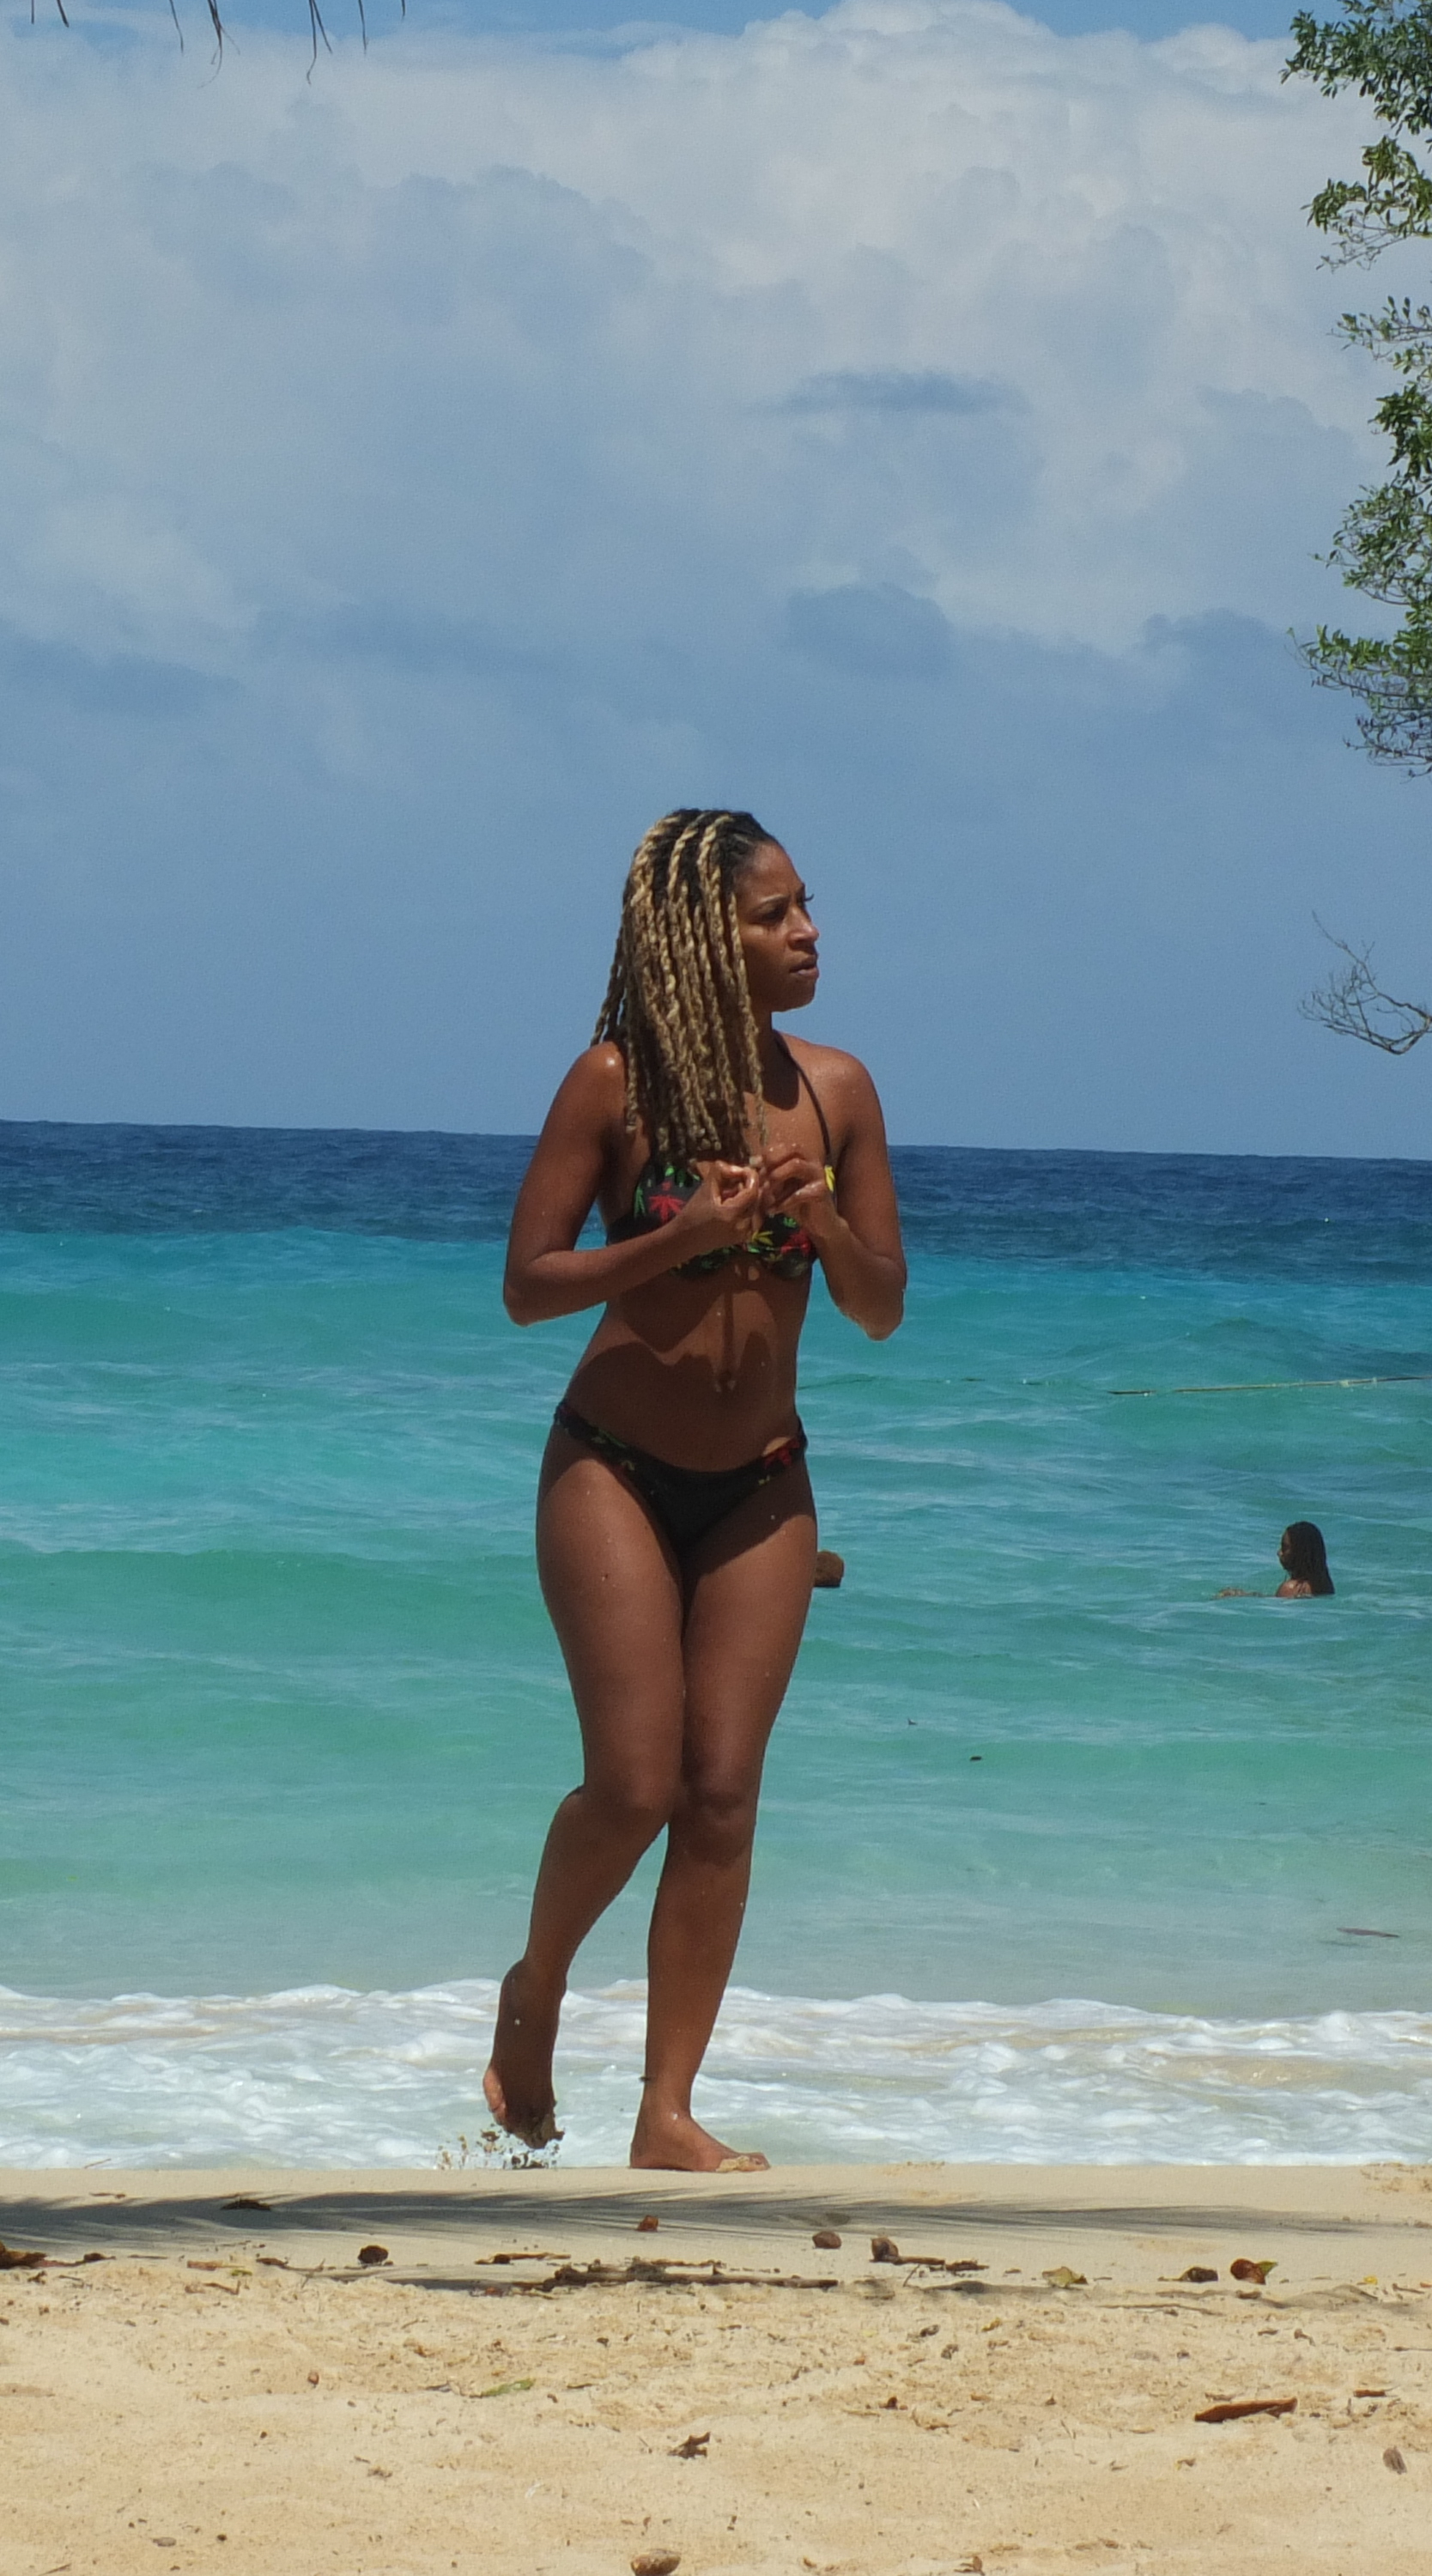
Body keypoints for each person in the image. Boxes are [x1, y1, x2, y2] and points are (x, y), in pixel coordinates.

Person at [483, 809, 906, 2172]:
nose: (808, 934)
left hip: (765, 1483)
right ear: (698, 939)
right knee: (632, 1784)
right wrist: (687, 1236)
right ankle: (536, 1988)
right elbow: (528, 1286)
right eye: (774, 915)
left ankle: (665, 2113)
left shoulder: (837, 1093)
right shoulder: (611, 1087)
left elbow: (881, 1308)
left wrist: (820, 1218)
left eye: (806, 906)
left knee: (720, 1796)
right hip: (610, 1464)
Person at [1219, 1522, 1335, 1599]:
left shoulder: (1290, 1588)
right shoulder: (1325, 1586)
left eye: (1285, 1548)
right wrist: (1247, 1595)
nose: (1279, 1552)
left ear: (1300, 1552)